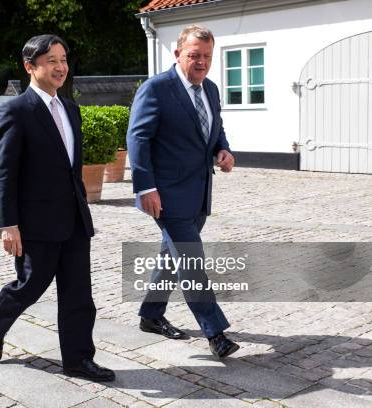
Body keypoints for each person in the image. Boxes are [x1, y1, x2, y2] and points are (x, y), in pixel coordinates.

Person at [0, 34, 115, 382]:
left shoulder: (70, 108)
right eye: (52, 61)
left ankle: (78, 360)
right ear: (31, 67)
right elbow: (4, 171)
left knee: (78, 294)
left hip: (73, 219)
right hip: (36, 222)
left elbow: (71, 166)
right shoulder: (16, 110)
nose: (61, 67)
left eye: (63, 59)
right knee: (30, 285)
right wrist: (7, 223)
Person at [127, 25, 239, 358]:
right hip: (166, 195)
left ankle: (150, 313)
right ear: (177, 54)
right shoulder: (156, 89)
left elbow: (214, 128)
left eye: (207, 56)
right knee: (191, 260)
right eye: (194, 55)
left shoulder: (212, 89)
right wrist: (145, 187)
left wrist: (224, 150)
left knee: (172, 256)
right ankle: (215, 332)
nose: (201, 62)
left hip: (200, 192)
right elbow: (138, 139)